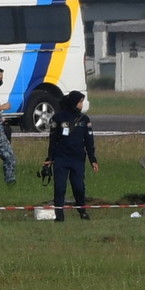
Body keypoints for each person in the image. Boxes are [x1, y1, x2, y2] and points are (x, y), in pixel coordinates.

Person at [44, 90, 98, 221]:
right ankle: (59, 215)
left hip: (77, 158)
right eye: (80, 102)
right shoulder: (57, 118)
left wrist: (93, 160)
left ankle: (82, 211)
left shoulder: (84, 120)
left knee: (79, 187)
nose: (81, 105)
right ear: (73, 103)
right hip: (61, 158)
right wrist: (50, 158)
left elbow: (89, 141)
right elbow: (53, 140)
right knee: (60, 187)